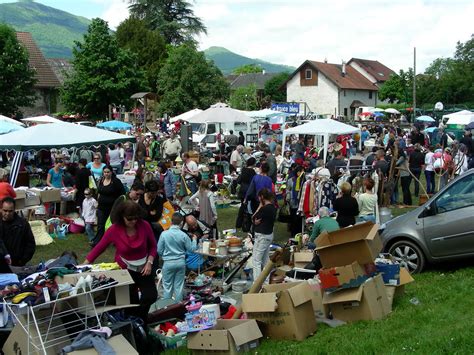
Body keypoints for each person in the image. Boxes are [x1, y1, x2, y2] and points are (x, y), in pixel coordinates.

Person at [84, 200, 157, 322]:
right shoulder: (114, 230)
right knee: (130, 303)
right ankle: (134, 325)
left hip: (144, 267)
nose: (133, 222)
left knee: (150, 296)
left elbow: (153, 246)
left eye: (135, 218)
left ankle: (140, 319)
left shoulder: (144, 225)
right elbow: (100, 247)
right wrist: (85, 263)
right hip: (125, 270)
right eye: (129, 219)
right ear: (122, 217)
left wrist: (150, 262)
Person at [158, 213, 197, 302]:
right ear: (182, 223)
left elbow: (159, 250)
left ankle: (167, 307)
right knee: (179, 286)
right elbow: (191, 249)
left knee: (167, 286)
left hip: (168, 263)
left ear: (171, 221)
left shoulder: (164, 234)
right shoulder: (183, 235)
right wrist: (194, 240)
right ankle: (178, 306)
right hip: (180, 262)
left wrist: (165, 255)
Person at [92, 166, 125, 246]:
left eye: (108, 172)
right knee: (100, 225)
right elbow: (99, 192)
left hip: (112, 208)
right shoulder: (101, 180)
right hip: (101, 207)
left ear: (111, 172)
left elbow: (122, 193)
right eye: (105, 172)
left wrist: (118, 204)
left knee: (113, 225)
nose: (106, 174)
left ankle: (116, 240)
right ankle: (97, 241)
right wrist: (97, 201)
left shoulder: (116, 182)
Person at [0, 197, 36, 266]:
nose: (7, 213)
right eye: (5, 210)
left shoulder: (22, 224)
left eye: (10, 211)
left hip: (17, 263)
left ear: (14, 210)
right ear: (1, 209)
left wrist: (22, 261)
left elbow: (30, 244)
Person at [252, 188, 277, 281]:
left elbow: (254, 218)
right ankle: (266, 281)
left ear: (262, 197)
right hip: (268, 235)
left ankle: (257, 283)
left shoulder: (264, 209)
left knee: (256, 261)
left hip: (262, 236)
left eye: (259, 198)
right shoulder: (273, 208)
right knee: (265, 260)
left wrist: (260, 206)